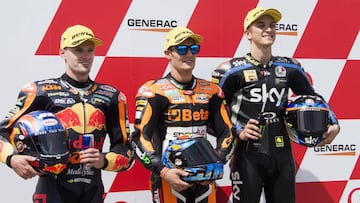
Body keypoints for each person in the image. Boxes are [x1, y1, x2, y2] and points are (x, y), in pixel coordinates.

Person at [211, 7, 340, 203]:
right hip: (247, 157)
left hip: (282, 156)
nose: (268, 30)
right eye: (261, 25)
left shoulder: (290, 67)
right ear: (248, 33)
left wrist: (334, 123)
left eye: (272, 26)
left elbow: (313, 97)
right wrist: (237, 131)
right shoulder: (229, 70)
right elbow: (212, 114)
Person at [0, 24, 134, 203]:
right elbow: (2, 134)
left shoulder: (112, 96)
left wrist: (104, 160)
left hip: (92, 191)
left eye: (90, 50)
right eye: (78, 50)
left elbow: (126, 152)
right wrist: (12, 159)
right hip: (53, 190)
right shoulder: (40, 91)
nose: (85, 56)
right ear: (62, 53)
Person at [130, 27, 235, 203]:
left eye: (193, 49)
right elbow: (139, 139)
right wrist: (163, 171)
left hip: (204, 179)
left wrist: (216, 164)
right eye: (181, 49)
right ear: (168, 53)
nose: (189, 54)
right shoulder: (154, 91)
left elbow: (228, 133)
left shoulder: (212, 91)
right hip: (168, 178)